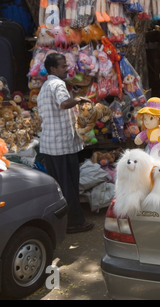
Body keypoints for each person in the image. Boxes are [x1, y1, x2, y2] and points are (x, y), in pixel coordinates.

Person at [37, 52, 94, 234]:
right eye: (63, 66)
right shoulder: (57, 83)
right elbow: (63, 104)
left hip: (49, 146)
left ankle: (62, 223)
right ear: (53, 68)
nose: (66, 69)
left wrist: (73, 96)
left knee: (60, 187)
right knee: (69, 186)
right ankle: (75, 223)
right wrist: (79, 99)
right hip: (61, 146)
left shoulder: (45, 87)